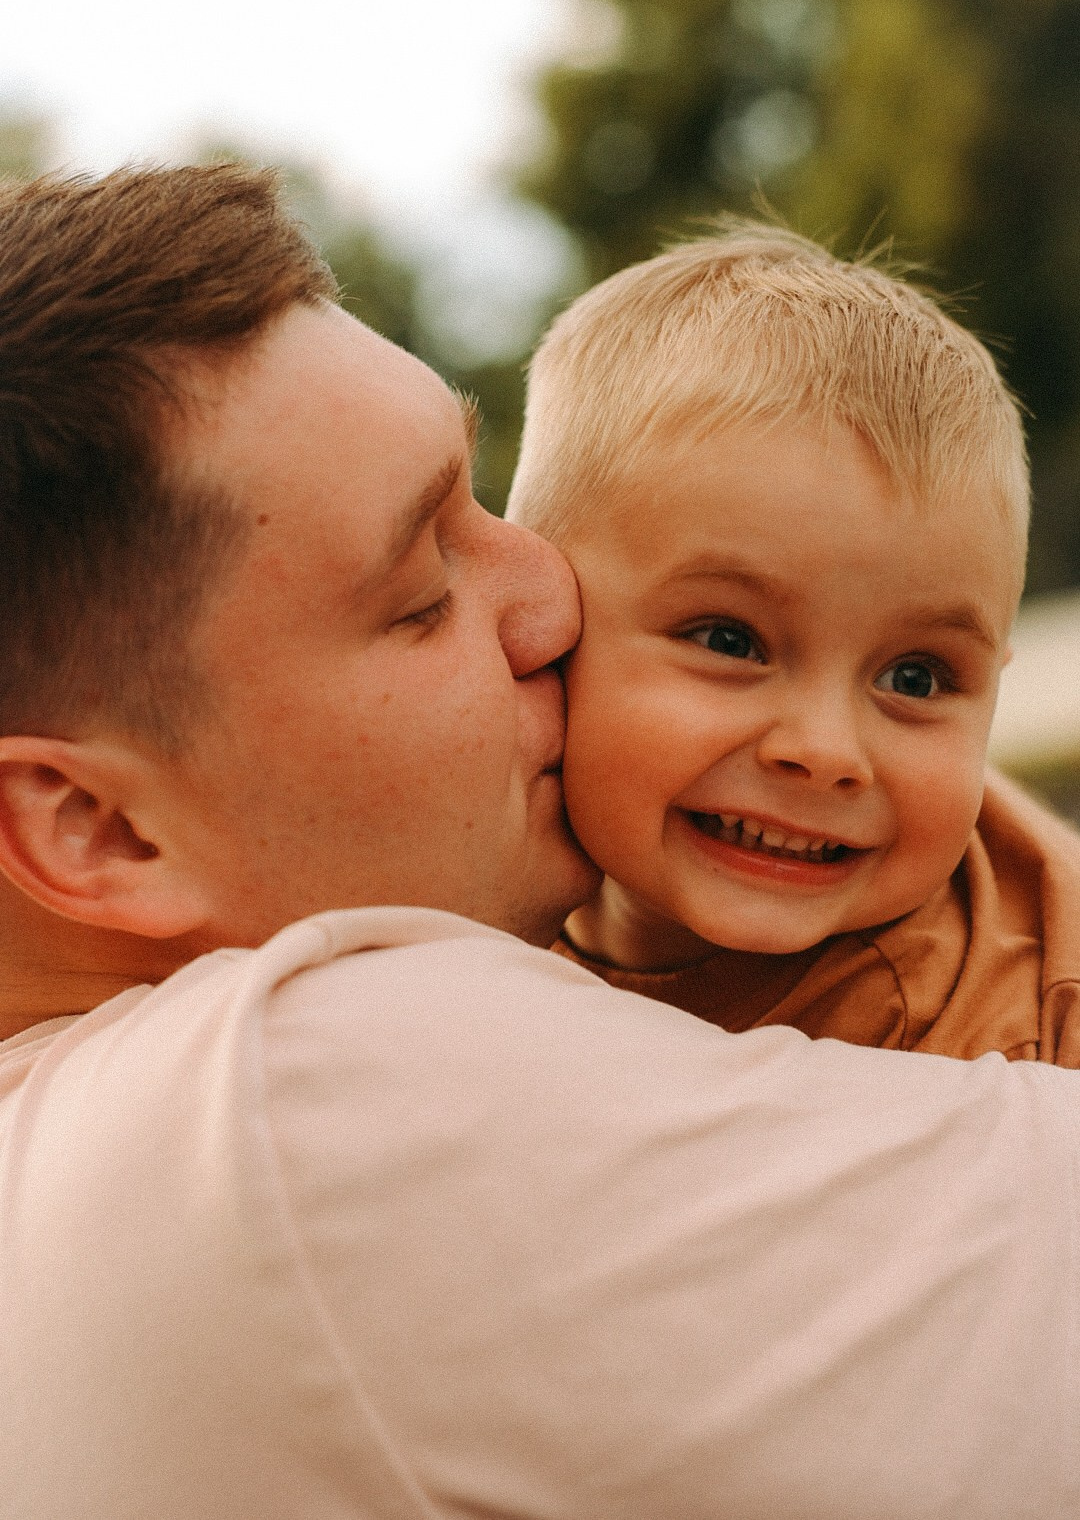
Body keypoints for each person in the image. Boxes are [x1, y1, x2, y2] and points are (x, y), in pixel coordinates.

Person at [1, 168, 1079, 1520]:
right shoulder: (292, 1104)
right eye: (422, 588)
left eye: (482, 500)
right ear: (97, 827)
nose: (552, 592)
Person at [507, 219, 1080, 1065]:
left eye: (916, 678)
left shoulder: (973, 1055)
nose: (826, 750)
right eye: (731, 640)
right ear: (544, 609)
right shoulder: (450, 862)